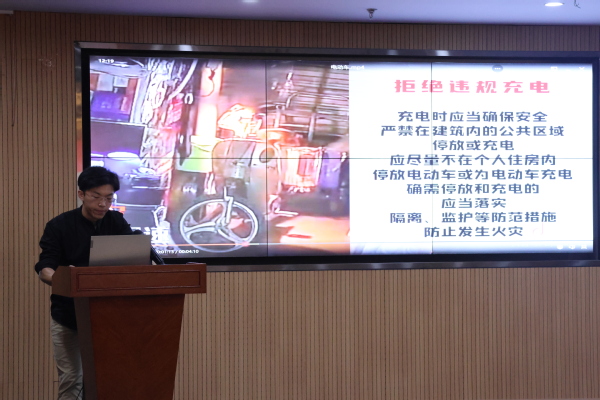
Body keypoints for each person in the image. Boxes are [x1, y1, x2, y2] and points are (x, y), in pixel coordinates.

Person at [35, 166, 132, 400]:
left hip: (110, 316)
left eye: (108, 198)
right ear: (82, 194)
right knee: (72, 379)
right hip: (69, 316)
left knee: (107, 379)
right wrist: (62, 279)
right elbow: (45, 267)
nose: (103, 204)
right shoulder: (59, 225)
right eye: (96, 197)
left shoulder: (117, 222)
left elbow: (133, 259)